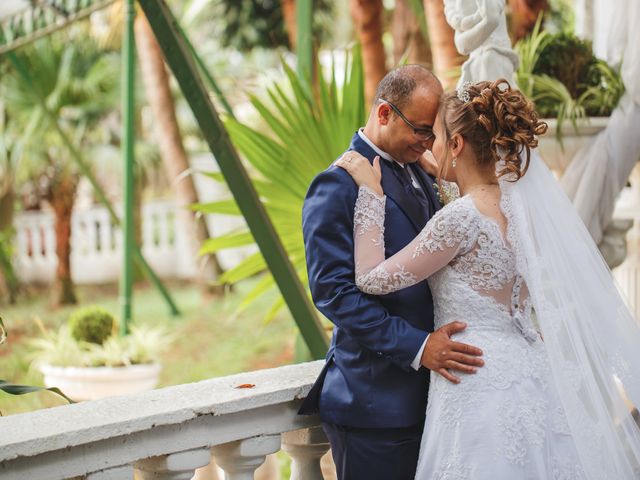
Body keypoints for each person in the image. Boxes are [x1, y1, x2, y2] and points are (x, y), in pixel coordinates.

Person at [336, 78, 640, 478]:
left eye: (438, 138)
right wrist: (446, 173)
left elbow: (372, 278)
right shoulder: (522, 212)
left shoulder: (459, 219)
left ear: (458, 145)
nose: (430, 146)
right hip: (531, 373)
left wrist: (372, 194)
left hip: (477, 383)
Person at [300, 65, 484, 480]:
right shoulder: (337, 186)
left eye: (433, 132)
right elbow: (334, 294)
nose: (429, 143)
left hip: (437, 399)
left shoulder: (423, 168)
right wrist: (419, 347)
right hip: (376, 405)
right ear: (384, 114)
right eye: (421, 130)